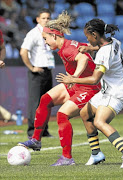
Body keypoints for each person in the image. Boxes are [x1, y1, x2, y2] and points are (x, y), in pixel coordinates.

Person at [18, 11, 101, 166]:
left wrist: (73, 77)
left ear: (54, 36)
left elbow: (82, 58)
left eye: (46, 39)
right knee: (45, 99)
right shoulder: (69, 45)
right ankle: (36, 139)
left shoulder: (67, 49)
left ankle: (67, 158)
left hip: (88, 88)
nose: (45, 42)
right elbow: (88, 49)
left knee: (62, 115)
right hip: (77, 85)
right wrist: (93, 48)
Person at [56, 18, 123, 168]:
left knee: (99, 122)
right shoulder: (113, 41)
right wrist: (90, 48)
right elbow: (103, 48)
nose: (86, 39)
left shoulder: (103, 54)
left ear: (94, 35)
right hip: (109, 90)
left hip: (116, 93)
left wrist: (73, 79)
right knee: (84, 113)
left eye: (87, 36)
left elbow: (95, 79)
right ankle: (96, 154)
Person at [20, 8, 55, 139]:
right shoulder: (33, 33)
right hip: (37, 71)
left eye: (48, 18)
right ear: (38, 19)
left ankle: (44, 130)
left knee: (46, 102)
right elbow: (23, 51)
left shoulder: (49, 33)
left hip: (47, 70)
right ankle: (32, 131)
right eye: (44, 18)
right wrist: (31, 67)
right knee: (35, 102)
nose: (46, 20)